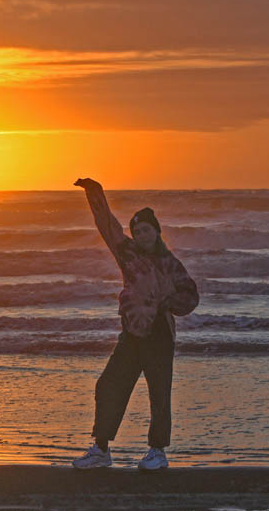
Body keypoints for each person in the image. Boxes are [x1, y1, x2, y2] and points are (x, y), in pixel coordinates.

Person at [71, 178, 199, 470]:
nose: (141, 235)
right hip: (131, 334)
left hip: (159, 336)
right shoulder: (126, 253)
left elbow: (191, 297)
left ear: (156, 232)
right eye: (137, 230)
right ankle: (101, 450)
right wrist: (95, 192)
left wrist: (167, 301)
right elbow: (107, 225)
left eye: (146, 230)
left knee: (159, 395)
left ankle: (157, 452)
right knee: (108, 386)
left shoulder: (170, 263)